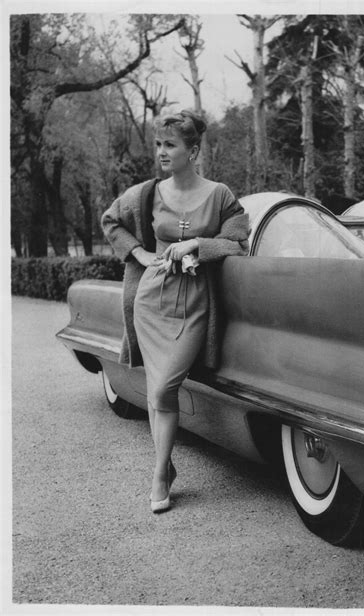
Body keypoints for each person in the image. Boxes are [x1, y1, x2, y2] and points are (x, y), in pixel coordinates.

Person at [101, 110, 249, 513]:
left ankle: (161, 468)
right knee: (157, 389)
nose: (161, 153)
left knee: (165, 385)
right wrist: (141, 253)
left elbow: (237, 241)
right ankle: (161, 472)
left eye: (170, 145)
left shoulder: (220, 194)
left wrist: (197, 245)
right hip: (152, 300)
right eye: (158, 144)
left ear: (193, 150)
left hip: (197, 302)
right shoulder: (148, 193)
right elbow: (111, 220)